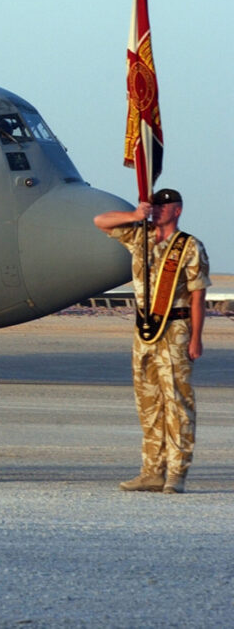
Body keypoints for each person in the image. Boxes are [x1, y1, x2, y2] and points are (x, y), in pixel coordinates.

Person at [94, 188, 210, 494]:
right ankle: (152, 471)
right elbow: (100, 221)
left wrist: (196, 338)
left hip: (176, 329)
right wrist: (135, 215)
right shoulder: (140, 237)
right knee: (148, 403)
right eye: (154, 205)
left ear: (177, 210)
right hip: (144, 331)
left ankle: (177, 472)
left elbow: (198, 297)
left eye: (163, 206)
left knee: (177, 403)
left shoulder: (189, 246)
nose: (156, 210)